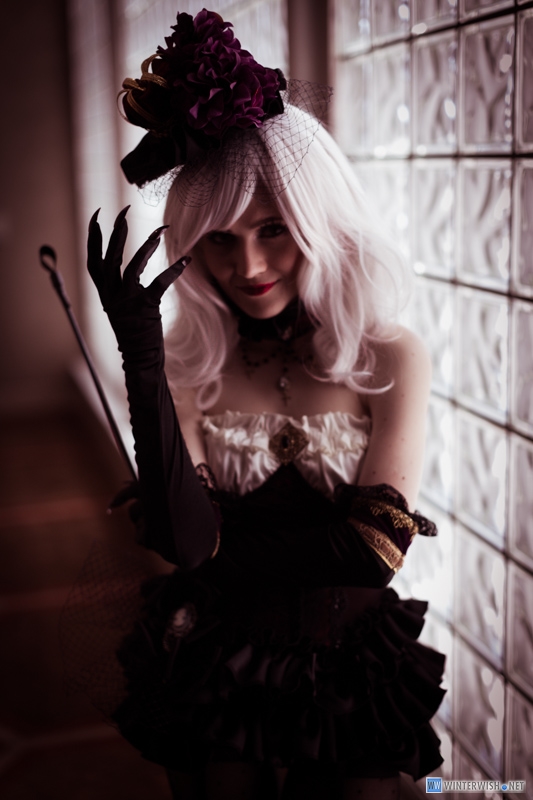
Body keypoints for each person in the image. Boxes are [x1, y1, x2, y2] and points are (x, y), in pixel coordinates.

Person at [82, 9, 446, 800]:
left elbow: (372, 553)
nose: (247, 265)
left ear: (320, 222)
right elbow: (185, 542)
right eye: (219, 238)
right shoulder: (187, 365)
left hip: (351, 664)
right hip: (217, 657)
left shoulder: (391, 354)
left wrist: (215, 552)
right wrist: (142, 360)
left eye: (274, 228)